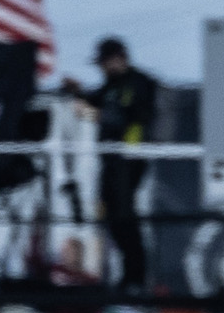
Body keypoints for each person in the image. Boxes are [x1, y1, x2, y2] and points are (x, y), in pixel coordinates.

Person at [65, 36, 159, 290]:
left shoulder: (140, 83)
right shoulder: (112, 85)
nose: (102, 69)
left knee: (125, 216)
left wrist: (94, 114)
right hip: (110, 160)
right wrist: (76, 92)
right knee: (110, 215)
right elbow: (97, 97)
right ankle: (127, 276)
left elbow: (129, 116)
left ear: (119, 58)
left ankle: (136, 277)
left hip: (130, 158)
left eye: (105, 63)